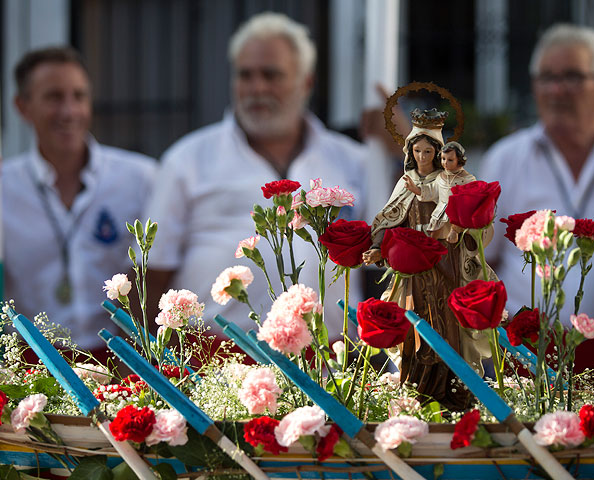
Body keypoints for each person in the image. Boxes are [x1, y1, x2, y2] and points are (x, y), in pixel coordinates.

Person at [145, 12, 386, 338]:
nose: (257, 88)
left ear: (306, 82)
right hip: (214, 372)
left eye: (271, 75)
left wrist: (401, 147)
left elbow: (386, 261)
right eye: (245, 75)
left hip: (331, 372)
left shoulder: (354, 161)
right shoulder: (187, 160)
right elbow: (151, 279)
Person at [480, 24, 594, 383]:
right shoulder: (506, 158)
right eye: (546, 78)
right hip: (526, 358)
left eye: (573, 77)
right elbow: (481, 261)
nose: (557, 90)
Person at [1, 46, 156, 356]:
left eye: (79, 96)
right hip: (34, 366)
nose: (69, 111)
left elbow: (158, 274)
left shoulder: (140, 178)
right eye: (54, 97)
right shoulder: (5, 186)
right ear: (22, 106)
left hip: (122, 360)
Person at [362, 109, 493, 411]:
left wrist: (457, 230)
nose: (422, 156)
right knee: (416, 330)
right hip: (413, 270)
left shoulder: (449, 181)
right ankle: (418, 389)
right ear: (410, 151)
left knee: (448, 327)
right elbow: (389, 219)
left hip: (445, 264)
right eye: (417, 150)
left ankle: (453, 391)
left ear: (438, 153)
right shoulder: (406, 181)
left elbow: (465, 219)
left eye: (428, 151)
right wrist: (379, 248)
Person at [404, 139, 475, 243]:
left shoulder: (468, 179)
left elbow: (472, 199)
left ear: (459, 160)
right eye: (443, 159)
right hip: (440, 212)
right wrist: (416, 189)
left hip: (458, 216)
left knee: (458, 241)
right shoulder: (441, 176)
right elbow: (432, 190)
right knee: (433, 235)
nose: (445, 163)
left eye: (450, 160)